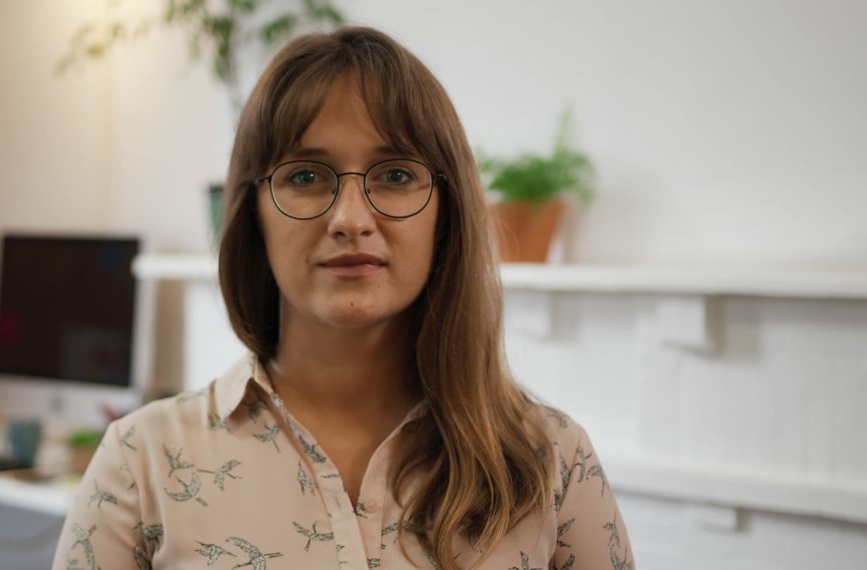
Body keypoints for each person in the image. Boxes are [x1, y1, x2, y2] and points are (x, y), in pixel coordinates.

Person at [52, 26, 633, 570]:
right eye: (305, 176)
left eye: (396, 175)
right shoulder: (140, 462)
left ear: (446, 211)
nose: (351, 219)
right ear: (252, 212)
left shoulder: (550, 458)